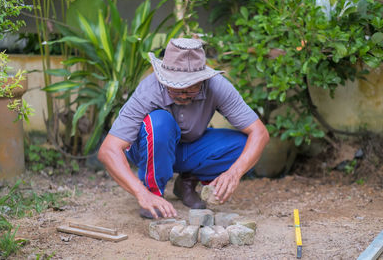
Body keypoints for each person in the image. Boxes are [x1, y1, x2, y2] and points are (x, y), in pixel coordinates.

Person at [98, 38, 270, 219]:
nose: (183, 94)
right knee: (159, 122)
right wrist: (142, 193)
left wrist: (234, 173)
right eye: (176, 87)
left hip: (188, 149)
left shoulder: (217, 86)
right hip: (148, 147)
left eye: (191, 87)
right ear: (164, 78)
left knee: (244, 146)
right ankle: (154, 192)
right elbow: (108, 150)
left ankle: (186, 182)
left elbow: (260, 133)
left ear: (203, 80)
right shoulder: (149, 89)